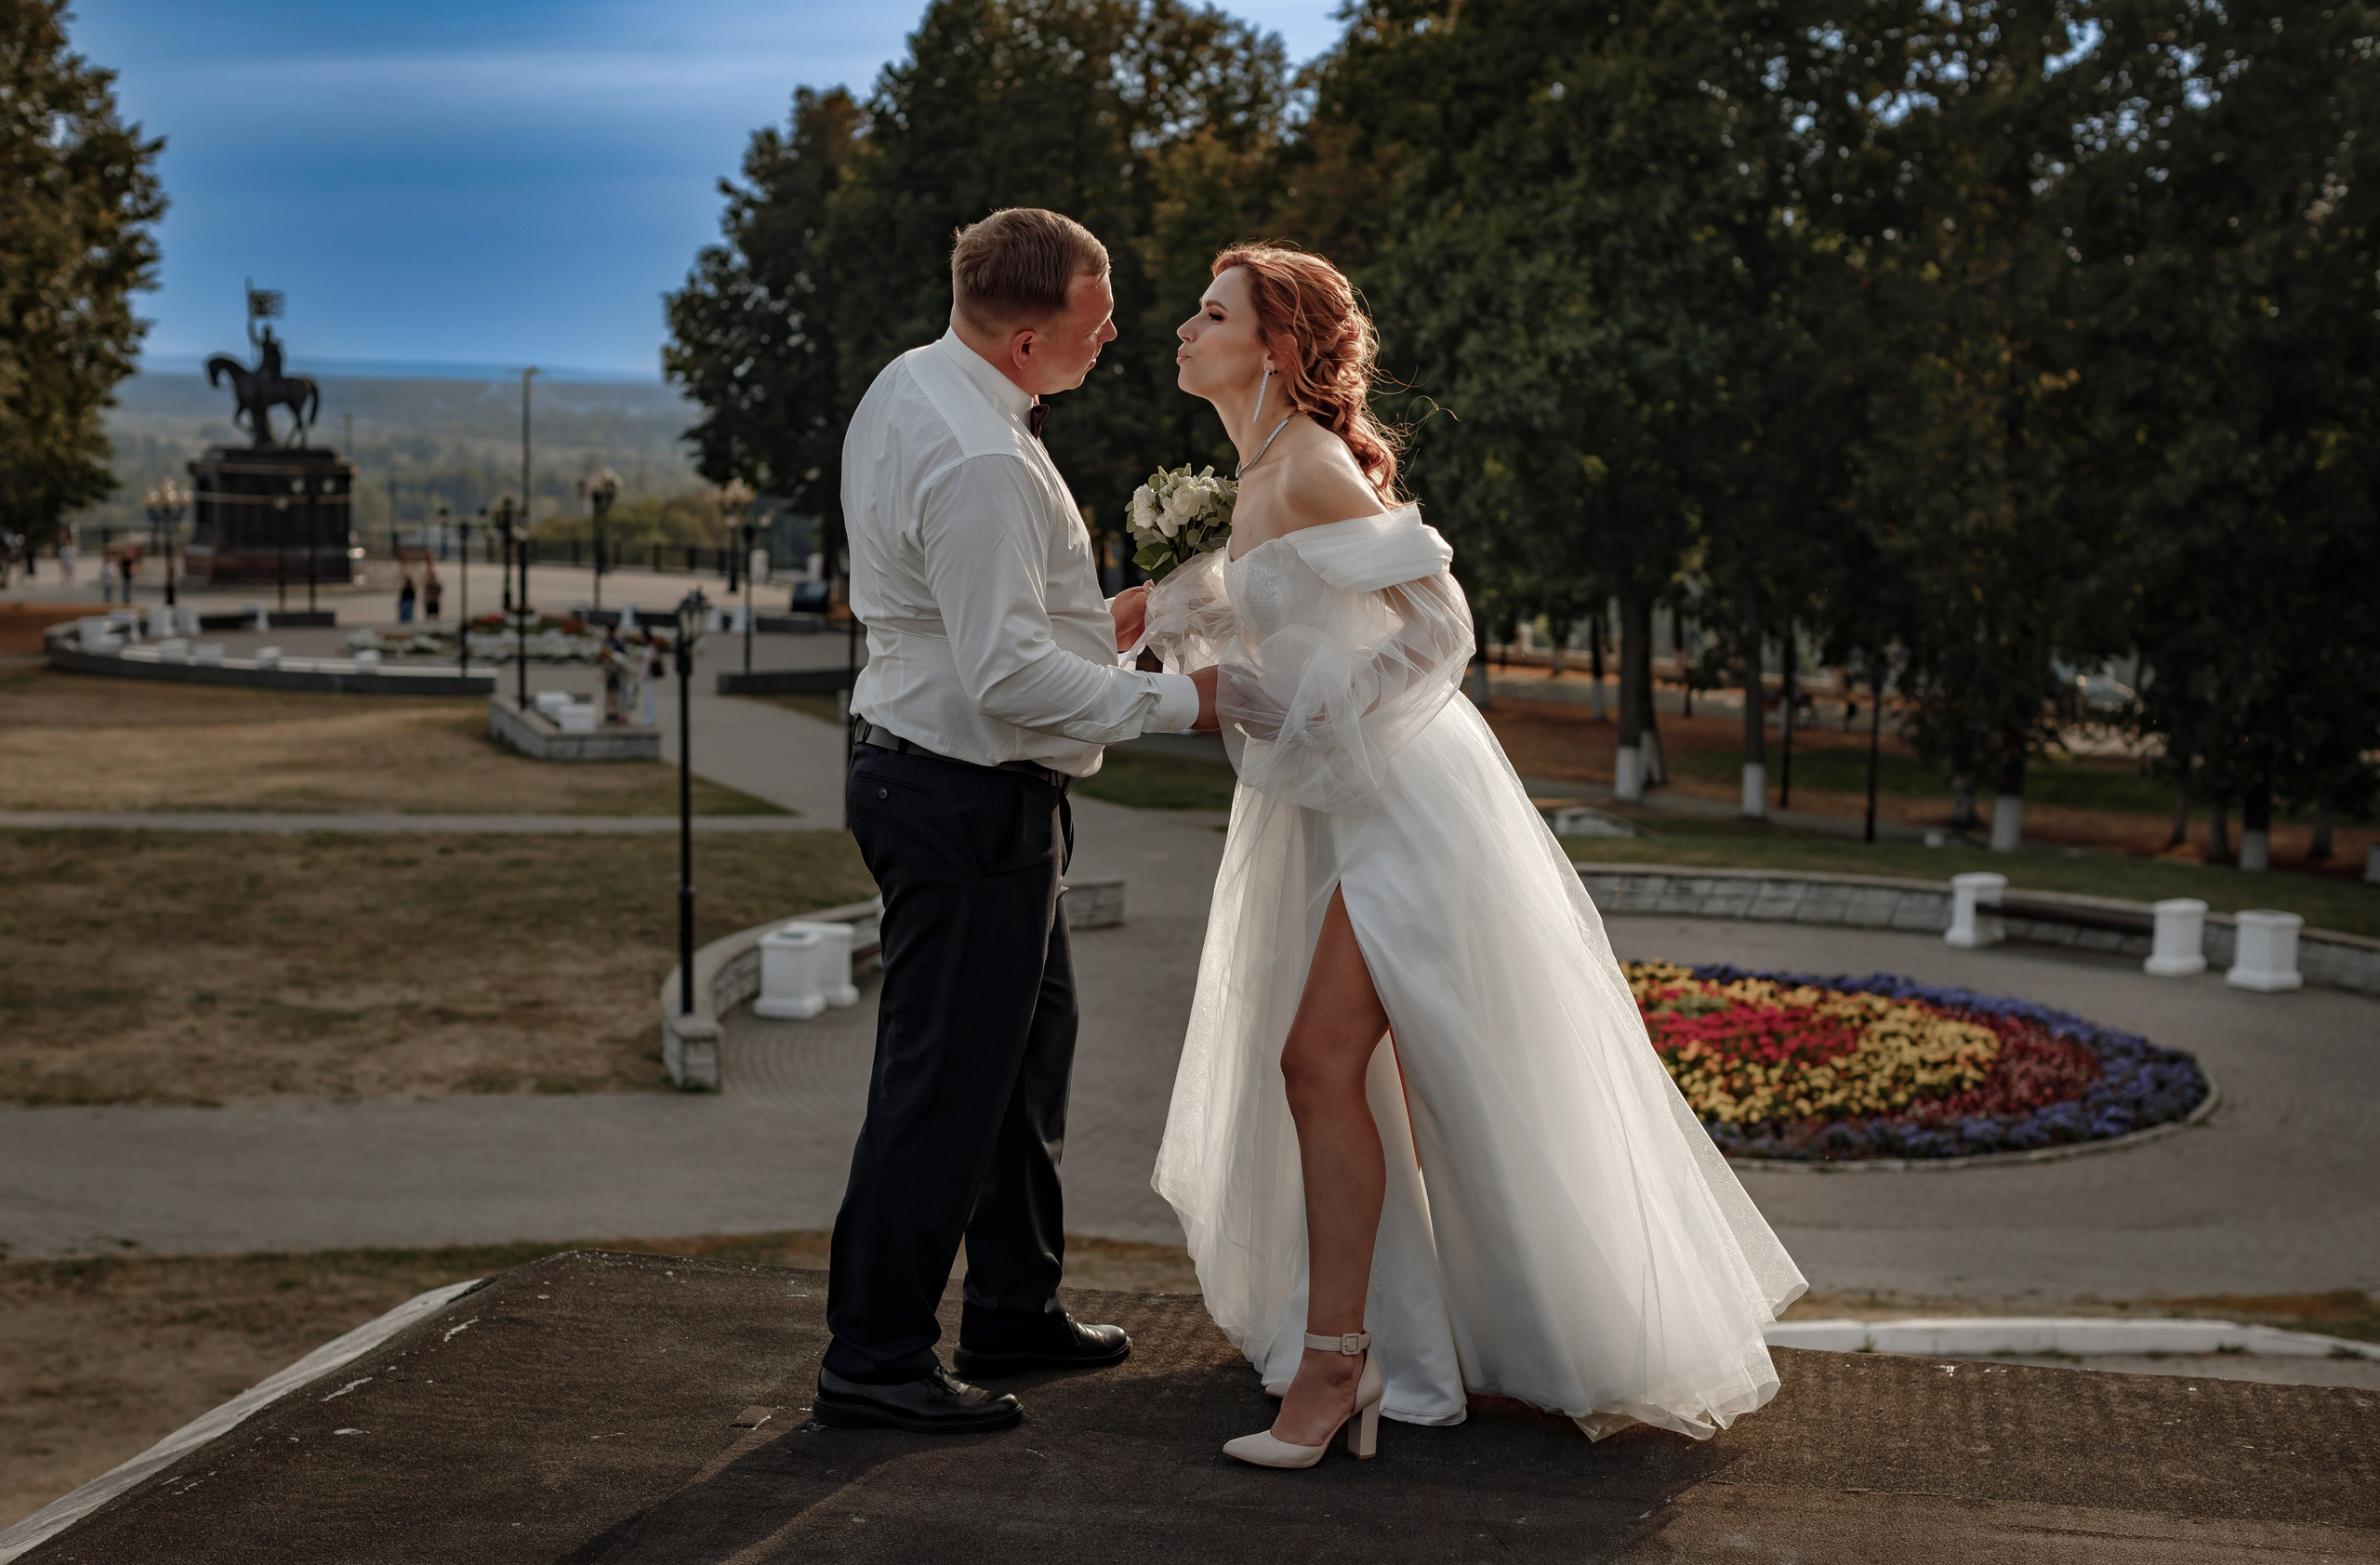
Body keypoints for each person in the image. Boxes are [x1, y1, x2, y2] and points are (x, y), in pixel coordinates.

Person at [1146, 245, 1805, 1469]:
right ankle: (1420, 1344)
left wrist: (1314, 722)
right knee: (1382, 1084)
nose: (1186, 327)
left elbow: (1440, 627)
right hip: (1342, 808)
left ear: (1279, 348)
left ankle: (1339, 1369)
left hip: (1403, 802)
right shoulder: (1265, 472)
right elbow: (1298, 612)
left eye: (1212, 312)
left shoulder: (1313, 465)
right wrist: (1176, 606)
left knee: (1315, 1062)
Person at [817, 207, 1220, 1436]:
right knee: (943, 1084)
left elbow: (979, 626)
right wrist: (1176, 703)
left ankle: (1011, 1306)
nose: (1117, 339)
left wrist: (1124, 613)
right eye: (1100, 324)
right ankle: (876, 1360)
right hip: (966, 794)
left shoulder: (916, 381)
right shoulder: (988, 460)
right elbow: (1002, 677)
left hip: (943, 769)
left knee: (1029, 1050)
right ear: (1034, 337)